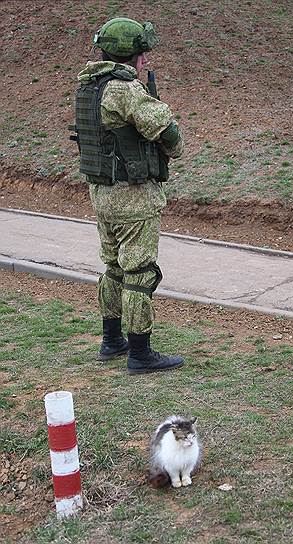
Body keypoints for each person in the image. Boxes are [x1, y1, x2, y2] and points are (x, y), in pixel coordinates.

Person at [71, 18, 184, 374]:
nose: (145, 61)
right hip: (133, 197)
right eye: (142, 54)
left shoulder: (88, 86)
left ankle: (111, 340)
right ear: (130, 55)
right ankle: (140, 353)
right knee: (140, 272)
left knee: (114, 267)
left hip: (101, 193)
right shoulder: (123, 89)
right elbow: (167, 131)